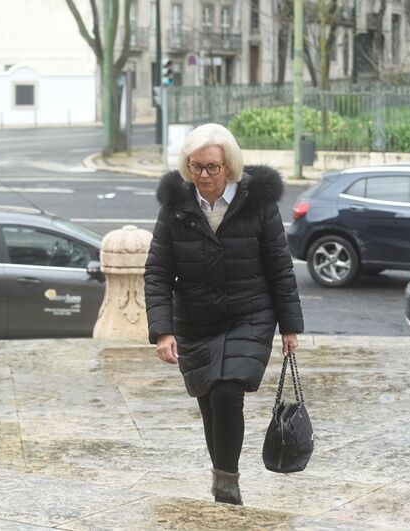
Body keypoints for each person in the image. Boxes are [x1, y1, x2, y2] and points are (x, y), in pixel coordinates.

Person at [144, 123, 304, 506]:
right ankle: (222, 472)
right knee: (208, 398)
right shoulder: (175, 208)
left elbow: (280, 266)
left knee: (228, 391)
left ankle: (226, 482)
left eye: (212, 167)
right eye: (196, 167)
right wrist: (163, 331)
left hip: (250, 313)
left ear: (228, 166)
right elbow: (158, 271)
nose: (203, 176)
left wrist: (290, 326)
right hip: (196, 320)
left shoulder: (259, 204)